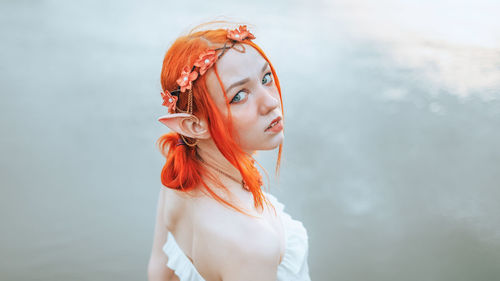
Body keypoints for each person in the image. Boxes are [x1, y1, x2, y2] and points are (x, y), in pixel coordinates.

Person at [147, 23, 311, 281]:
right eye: (239, 96)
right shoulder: (252, 244)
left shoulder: (178, 172)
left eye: (266, 78)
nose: (270, 102)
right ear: (193, 125)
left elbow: (160, 270)